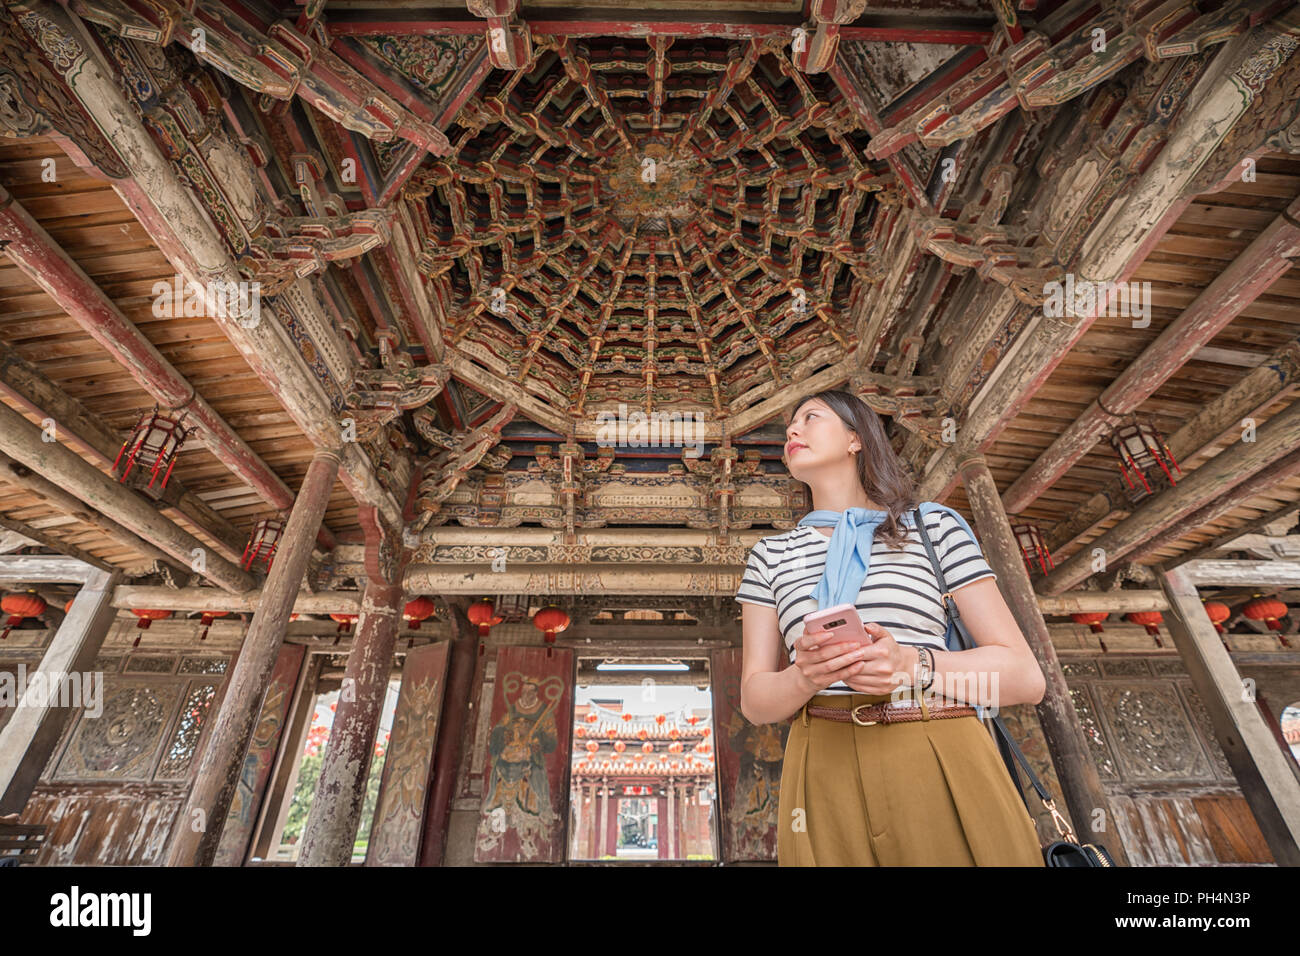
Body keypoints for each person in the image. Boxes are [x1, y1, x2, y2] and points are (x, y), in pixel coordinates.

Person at [735, 388, 1046, 866]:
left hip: (936, 742)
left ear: (856, 438)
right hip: (821, 760)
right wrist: (805, 676)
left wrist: (911, 664)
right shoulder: (770, 555)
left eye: (810, 418)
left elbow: (1026, 678)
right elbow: (755, 700)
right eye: (788, 428)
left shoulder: (933, 527)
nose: (792, 432)